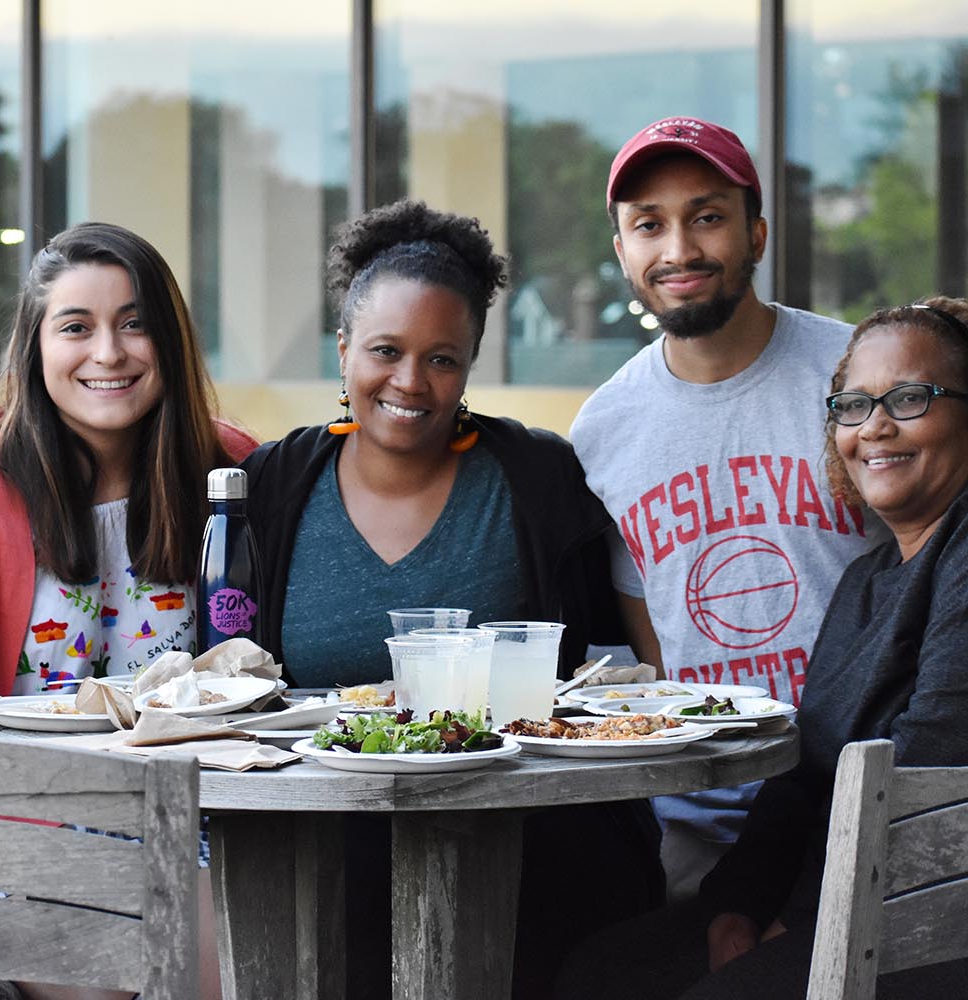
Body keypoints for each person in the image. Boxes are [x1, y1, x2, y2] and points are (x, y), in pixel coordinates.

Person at [564, 296, 968, 1000]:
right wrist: (738, 906)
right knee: (601, 973)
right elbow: (806, 772)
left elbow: (939, 757)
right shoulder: (867, 578)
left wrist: (802, 922)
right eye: (852, 406)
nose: (876, 427)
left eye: (909, 397)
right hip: (855, 901)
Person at [241, 199, 656, 999]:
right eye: (385, 351)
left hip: (529, 850)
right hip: (320, 851)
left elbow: (619, 655)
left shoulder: (539, 480)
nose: (409, 382)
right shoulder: (272, 486)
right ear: (342, 350)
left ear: (470, 362)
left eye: (442, 359)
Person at [568, 116, 886, 894]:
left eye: (707, 217)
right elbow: (652, 633)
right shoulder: (602, 428)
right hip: (698, 827)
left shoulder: (859, 375)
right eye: (649, 225)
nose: (678, 250)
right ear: (622, 251)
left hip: (860, 807)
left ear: (758, 234)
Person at [0, 222, 255, 733]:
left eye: (135, 324)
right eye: (76, 328)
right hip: (28, 801)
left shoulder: (231, 469)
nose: (108, 353)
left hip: (218, 790)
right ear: (34, 348)